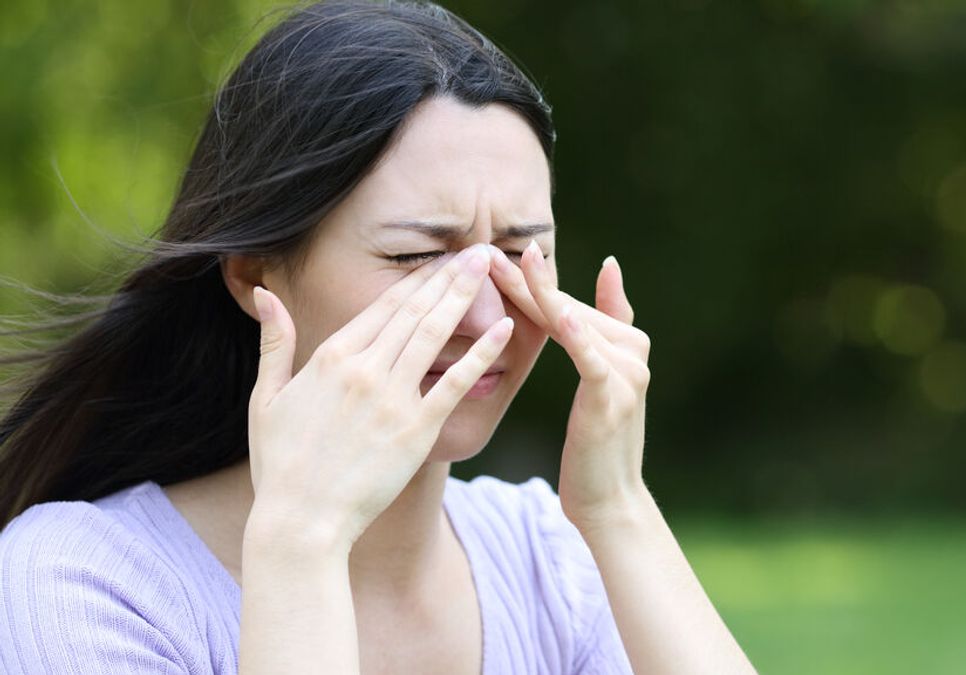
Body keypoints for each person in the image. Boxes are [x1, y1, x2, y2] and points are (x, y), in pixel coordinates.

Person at [0, 1, 756, 673]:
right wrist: (301, 542)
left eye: (524, 252)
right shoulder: (82, 584)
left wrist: (618, 508)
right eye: (417, 256)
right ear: (255, 275)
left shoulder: (548, 563)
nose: (487, 318)